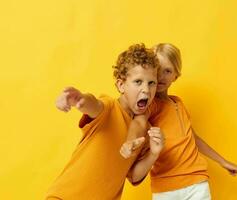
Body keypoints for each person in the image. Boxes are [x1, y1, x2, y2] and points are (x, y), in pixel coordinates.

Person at [120, 43, 237, 200]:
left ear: (176, 76)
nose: (161, 76)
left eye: (168, 71)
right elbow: (138, 122)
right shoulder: (150, 105)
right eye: (157, 70)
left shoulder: (178, 103)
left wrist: (223, 161)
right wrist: (129, 142)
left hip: (196, 181)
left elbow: (193, 138)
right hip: (165, 186)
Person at [45, 43, 164, 200]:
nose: (146, 90)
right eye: (138, 82)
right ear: (121, 85)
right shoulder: (109, 108)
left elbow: (134, 176)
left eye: (151, 83)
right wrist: (79, 99)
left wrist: (154, 154)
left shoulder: (145, 132)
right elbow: (94, 104)